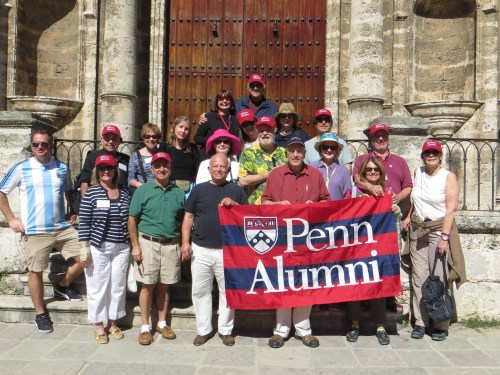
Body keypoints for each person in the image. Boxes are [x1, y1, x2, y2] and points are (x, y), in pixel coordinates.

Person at [0, 130, 83, 333]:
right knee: (35, 271)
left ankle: (62, 286)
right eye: (36, 144)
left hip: (60, 227)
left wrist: (71, 209)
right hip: (35, 230)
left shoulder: (61, 167)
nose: (40, 147)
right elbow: (1, 192)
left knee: (86, 257)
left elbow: (67, 191)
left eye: (44, 144)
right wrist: (11, 219)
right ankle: (40, 313)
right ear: (31, 146)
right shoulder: (22, 168)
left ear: (51, 145)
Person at [262, 137, 330, 349]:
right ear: (286, 153)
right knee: (283, 282)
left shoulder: (316, 174)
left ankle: (303, 330)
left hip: (308, 239)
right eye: (291, 150)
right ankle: (280, 330)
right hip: (282, 238)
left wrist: (315, 206)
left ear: (304, 153)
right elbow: (264, 202)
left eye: (299, 150)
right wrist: (277, 205)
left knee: (305, 283)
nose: (295, 154)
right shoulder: (275, 175)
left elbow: (327, 202)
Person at [403, 140, 466, 341]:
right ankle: (421, 322)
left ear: (440, 156)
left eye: (434, 152)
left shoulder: (448, 177)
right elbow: (416, 199)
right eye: (427, 152)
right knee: (419, 278)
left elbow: (451, 209)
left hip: (438, 230)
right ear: (422, 155)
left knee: (438, 278)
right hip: (417, 229)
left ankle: (440, 324)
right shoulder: (417, 172)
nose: (431, 155)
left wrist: (444, 238)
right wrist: (408, 216)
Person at [181, 153, 248, 346]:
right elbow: (188, 218)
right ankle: (204, 329)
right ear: (209, 169)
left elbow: (247, 219)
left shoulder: (237, 190)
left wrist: (234, 205)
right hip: (201, 248)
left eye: (223, 166)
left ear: (228, 170)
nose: (219, 169)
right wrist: (185, 243)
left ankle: (225, 330)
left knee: (227, 292)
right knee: (200, 291)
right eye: (215, 166)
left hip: (227, 250)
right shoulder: (199, 190)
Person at [353, 122, 413, 314]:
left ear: (388, 138)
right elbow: (356, 178)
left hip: (391, 217)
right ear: (371, 139)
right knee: (366, 258)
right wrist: (370, 187)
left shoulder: (400, 161)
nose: (380, 139)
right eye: (376, 136)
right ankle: (365, 298)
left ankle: (388, 298)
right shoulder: (363, 159)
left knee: (389, 259)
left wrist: (398, 197)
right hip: (369, 220)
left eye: (383, 135)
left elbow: (409, 187)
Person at [128, 152, 185, 345]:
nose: (162, 169)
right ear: (152, 169)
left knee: (165, 285)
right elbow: (132, 219)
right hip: (148, 244)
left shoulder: (178, 192)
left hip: (170, 244)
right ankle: (145, 327)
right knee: (147, 285)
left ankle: (162, 322)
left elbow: (182, 219)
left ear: (170, 168)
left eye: (165, 165)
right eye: (157, 165)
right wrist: (135, 246)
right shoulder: (143, 191)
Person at [345, 157, 400, 346]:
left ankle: (380, 326)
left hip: (379, 247)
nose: (372, 173)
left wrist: (395, 208)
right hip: (357, 246)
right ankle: (354, 325)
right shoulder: (354, 193)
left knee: (378, 285)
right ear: (362, 173)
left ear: (381, 173)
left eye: (376, 170)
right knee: (355, 285)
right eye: (368, 170)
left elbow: (396, 215)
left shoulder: (387, 193)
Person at [78, 154, 131, 344]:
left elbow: (129, 220)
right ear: (97, 172)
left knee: (117, 286)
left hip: (122, 247)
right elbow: (83, 222)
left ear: (115, 170)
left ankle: (113, 322)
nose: (106, 171)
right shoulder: (92, 193)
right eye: (102, 168)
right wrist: (84, 247)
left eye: (109, 168)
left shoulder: (124, 193)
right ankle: (99, 325)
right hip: (99, 247)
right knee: (98, 286)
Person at [238, 116, 287, 205]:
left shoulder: (285, 153)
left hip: (282, 205)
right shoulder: (248, 153)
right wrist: (268, 175)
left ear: (275, 131)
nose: (264, 133)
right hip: (256, 207)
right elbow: (243, 181)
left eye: (268, 130)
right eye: (261, 130)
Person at [80, 125, 130, 197]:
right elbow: (84, 181)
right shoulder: (93, 156)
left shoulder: (125, 159)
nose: (110, 141)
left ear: (120, 141)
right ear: (101, 140)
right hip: (98, 199)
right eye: (107, 138)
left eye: (114, 139)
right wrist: (86, 202)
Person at [194, 90, 241, 160]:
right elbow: (197, 138)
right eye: (221, 99)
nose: (224, 101)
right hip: (208, 157)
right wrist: (214, 140)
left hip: (227, 157)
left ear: (231, 102)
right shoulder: (208, 117)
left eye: (227, 99)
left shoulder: (235, 119)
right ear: (217, 102)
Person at [159, 116, 200, 198]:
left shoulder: (193, 148)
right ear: (174, 128)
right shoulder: (165, 147)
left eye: (186, 129)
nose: (183, 131)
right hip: (169, 187)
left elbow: (197, 168)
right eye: (180, 127)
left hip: (190, 188)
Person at [304, 109, 353, 173]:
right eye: (320, 120)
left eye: (327, 119)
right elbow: (305, 169)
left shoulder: (341, 143)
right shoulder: (307, 145)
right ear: (315, 123)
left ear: (331, 123)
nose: (323, 122)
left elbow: (348, 168)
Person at [310, 133, 351, 200]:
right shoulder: (311, 168)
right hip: (316, 209)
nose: (329, 150)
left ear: (337, 150)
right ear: (320, 149)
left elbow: (347, 195)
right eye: (325, 147)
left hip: (337, 209)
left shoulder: (344, 171)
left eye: (333, 148)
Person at [128, 123, 161, 190]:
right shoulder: (136, 156)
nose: (151, 139)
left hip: (160, 192)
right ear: (143, 137)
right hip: (143, 192)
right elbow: (130, 179)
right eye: (147, 136)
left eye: (154, 137)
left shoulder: (162, 154)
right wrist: (142, 186)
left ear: (158, 138)